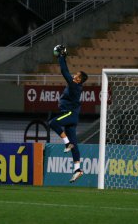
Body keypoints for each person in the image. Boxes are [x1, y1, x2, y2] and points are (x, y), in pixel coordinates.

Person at [49, 45, 88, 183]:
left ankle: (66, 143)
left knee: (52, 123)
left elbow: (64, 72)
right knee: (75, 144)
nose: (74, 75)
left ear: (78, 79)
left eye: (76, 75)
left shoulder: (74, 86)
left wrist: (61, 57)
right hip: (72, 117)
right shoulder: (76, 86)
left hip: (69, 114)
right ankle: (78, 169)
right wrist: (64, 57)